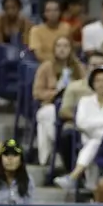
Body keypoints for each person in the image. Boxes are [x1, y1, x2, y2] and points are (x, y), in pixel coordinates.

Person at [54, 66, 103, 191]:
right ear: (92, 83)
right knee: (94, 143)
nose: (101, 84)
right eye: (97, 80)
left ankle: (73, 177)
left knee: (95, 143)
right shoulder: (84, 101)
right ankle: (89, 185)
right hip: (86, 138)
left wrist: (95, 125)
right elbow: (81, 123)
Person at [33, 36, 85, 165]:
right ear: (54, 49)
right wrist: (55, 93)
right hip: (50, 105)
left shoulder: (79, 67)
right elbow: (37, 92)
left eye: (66, 46)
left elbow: (86, 88)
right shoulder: (46, 67)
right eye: (59, 46)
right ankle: (58, 147)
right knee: (47, 116)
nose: (62, 49)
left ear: (71, 49)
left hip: (73, 107)